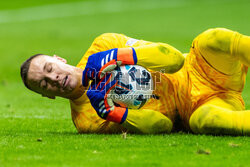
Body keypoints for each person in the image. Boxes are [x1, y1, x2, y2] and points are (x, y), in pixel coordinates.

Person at [21, 28, 250, 135]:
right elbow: (162, 126)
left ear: (59, 59)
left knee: (213, 39)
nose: (54, 78)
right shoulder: (87, 121)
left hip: (199, 67)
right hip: (195, 108)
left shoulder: (105, 44)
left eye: (50, 68)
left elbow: (172, 58)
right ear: (48, 96)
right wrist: (115, 113)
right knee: (208, 121)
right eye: (44, 84)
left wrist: (116, 57)